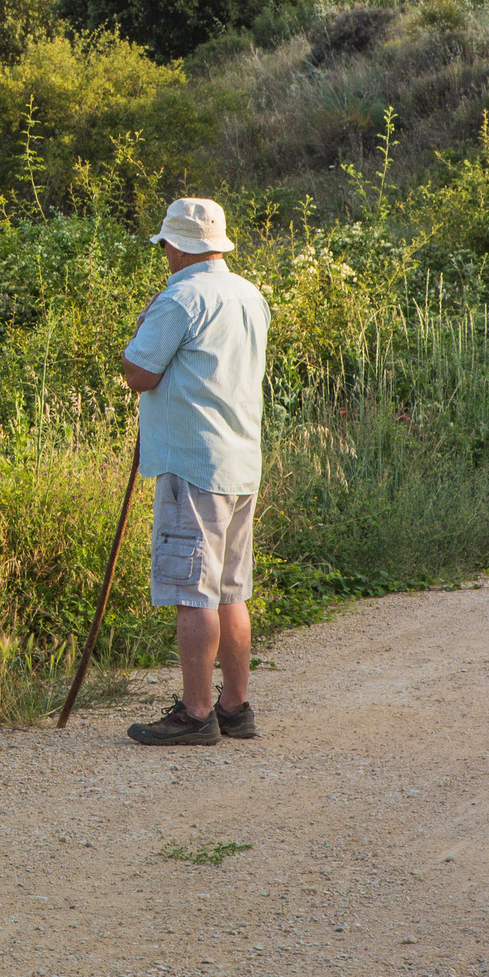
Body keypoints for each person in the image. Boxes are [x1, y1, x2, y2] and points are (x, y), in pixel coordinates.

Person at [119, 197, 271, 748]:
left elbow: (138, 372)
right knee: (231, 589)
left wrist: (141, 332)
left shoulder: (180, 297)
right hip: (240, 459)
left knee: (194, 591)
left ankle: (196, 712)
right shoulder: (249, 294)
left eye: (164, 245)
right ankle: (235, 707)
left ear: (176, 245)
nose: (163, 254)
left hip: (192, 461)